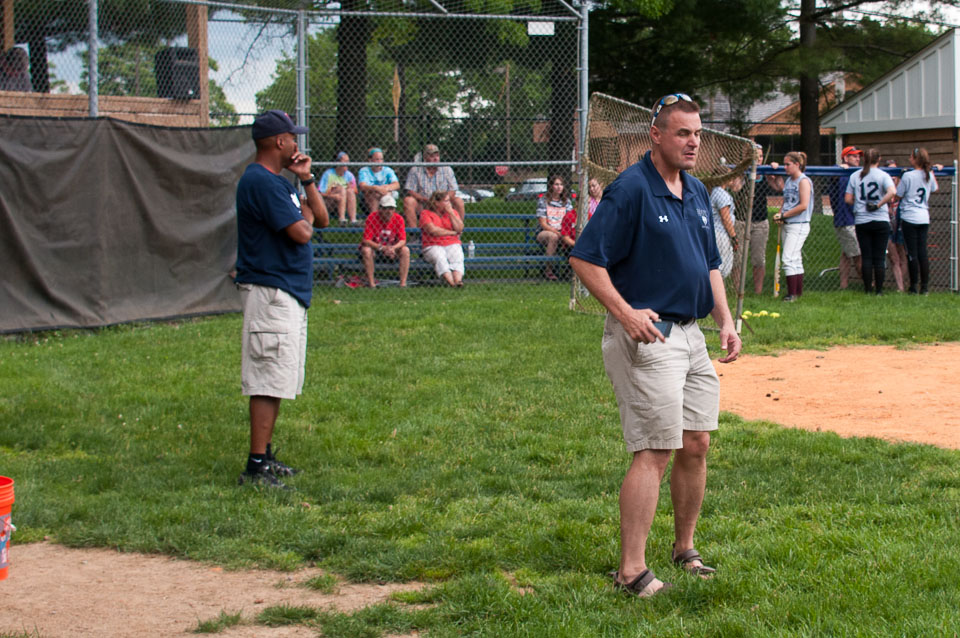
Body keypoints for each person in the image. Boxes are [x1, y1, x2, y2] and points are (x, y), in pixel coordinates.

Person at [569, 93, 741, 598]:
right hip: (650, 333)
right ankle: (631, 571)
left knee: (696, 442)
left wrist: (725, 320)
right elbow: (585, 259)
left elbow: (709, 264)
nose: (693, 142)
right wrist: (625, 313)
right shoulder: (631, 189)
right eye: (683, 132)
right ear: (657, 135)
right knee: (655, 448)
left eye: (698, 133)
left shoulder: (695, 191)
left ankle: (684, 549)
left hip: (692, 334)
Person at [235, 110, 329, 488]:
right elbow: (302, 233)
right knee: (266, 376)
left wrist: (306, 179)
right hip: (271, 291)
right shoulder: (262, 182)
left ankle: (266, 457)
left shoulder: (282, 182)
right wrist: (302, 212)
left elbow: (319, 220)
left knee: (276, 377)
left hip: (285, 290)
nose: (297, 143)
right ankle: (256, 466)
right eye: (293, 137)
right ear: (279, 142)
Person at [845, 148, 897, 295]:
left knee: (866, 256)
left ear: (864, 159)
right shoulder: (883, 175)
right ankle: (879, 290)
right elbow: (892, 192)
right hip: (880, 219)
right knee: (879, 257)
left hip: (862, 220)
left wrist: (860, 202)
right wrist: (879, 204)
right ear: (878, 159)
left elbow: (848, 199)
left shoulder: (856, 176)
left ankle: (868, 289)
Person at [897, 147, 939, 294]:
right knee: (923, 252)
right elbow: (934, 188)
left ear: (916, 159)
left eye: (911, 157)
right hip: (923, 217)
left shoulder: (908, 176)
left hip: (909, 217)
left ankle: (914, 286)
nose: (909, 159)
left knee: (912, 253)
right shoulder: (929, 174)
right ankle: (925, 287)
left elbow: (899, 193)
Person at [773, 151, 813, 302]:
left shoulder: (803, 181)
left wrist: (784, 215)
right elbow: (786, 202)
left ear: (798, 164)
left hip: (799, 224)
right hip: (788, 223)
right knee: (795, 259)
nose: (785, 167)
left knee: (788, 258)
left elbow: (803, 205)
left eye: (788, 164)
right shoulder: (789, 180)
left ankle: (791, 294)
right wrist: (780, 213)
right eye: (784, 164)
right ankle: (797, 294)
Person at [747, 144, 782, 294]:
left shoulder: (766, 174)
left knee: (759, 259)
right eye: (755, 156)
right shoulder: (743, 172)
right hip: (742, 221)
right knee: (738, 260)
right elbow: (735, 187)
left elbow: (779, 188)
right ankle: (736, 290)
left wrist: (776, 172)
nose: (759, 159)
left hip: (760, 221)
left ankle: (758, 292)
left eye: (761, 156)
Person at [403, 144, 464, 228]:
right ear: (425, 157)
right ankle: (415, 235)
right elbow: (410, 190)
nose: (435, 158)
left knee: (459, 201)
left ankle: (457, 232)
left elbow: (453, 190)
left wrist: (444, 201)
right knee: (408, 201)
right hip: (423, 202)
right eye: (432, 156)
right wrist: (423, 199)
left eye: (437, 155)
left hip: (443, 202)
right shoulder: (415, 169)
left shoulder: (447, 169)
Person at [829, 146, 864, 290]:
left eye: (858, 156)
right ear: (845, 158)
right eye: (853, 156)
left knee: (846, 253)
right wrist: (839, 167)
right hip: (846, 220)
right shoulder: (840, 171)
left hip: (859, 218)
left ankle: (843, 285)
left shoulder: (860, 172)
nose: (857, 158)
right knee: (857, 254)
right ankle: (869, 284)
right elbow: (833, 174)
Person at [359, 194, 409, 288]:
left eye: (391, 208)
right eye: (386, 208)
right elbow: (366, 240)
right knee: (366, 250)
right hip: (376, 249)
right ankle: (372, 284)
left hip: (392, 250)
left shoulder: (399, 218)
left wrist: (393, 248)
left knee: (405, 250)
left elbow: (403, 240)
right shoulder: (372, 217)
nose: (389, 211)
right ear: (380, 209)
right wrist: (382, 248)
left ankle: (403, 284)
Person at [420, 190, 465, 287]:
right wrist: (452, 233)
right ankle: (451, 283)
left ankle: (458, 281)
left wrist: (451, 213)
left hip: (451, 243)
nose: (448, 203)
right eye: (446, 201)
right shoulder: (426, 213)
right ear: (436, 203)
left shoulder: (452, 212)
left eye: (449, 201)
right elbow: (433, 230)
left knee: (457, 255)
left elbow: (460, 228)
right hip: (432, 245)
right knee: (440, 256)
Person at [535, 174, 575, 281]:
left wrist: (563, 233)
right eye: (556, 184)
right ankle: (548, 271)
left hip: (563, 231)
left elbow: (571, 219)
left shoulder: (566, 202)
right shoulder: (543, 201)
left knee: (572, 239)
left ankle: (570, 272)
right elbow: (543, 224)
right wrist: (558, 233)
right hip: (545, 232)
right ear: (551, 186)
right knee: (553, 237)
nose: (559, 187)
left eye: (561, 184)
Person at [709, 176, 740, 280]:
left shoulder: (714, 191)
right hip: (721, 233)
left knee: (718, 267)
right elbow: (725, 217)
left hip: (714, 232)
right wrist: (734, 237)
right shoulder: (721, 193)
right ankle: (715, 293)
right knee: (721, 268)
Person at [885, 160, 907, 292]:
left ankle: (900, 288)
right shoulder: (884, 187)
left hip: (901, 225)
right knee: (893, 257)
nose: (893, 177)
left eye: (895, 172)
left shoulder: (902, 188)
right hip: (887, 226)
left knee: (903, 255)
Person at [357, 147, 400, 217]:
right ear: (370, 160)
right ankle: (374, 220)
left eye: (381, 159)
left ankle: (387, 218)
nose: (380, 161)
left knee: (387, 193)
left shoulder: (387, 170)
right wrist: (376, 188)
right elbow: (363, 186)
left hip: (386, 194)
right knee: (374, 194)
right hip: (369, 199)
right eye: (377, 159)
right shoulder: (364, 170)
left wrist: (385, 188)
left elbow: (397, 184)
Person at [319, 151, 359, 225]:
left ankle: (353, 220)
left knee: (349, 191)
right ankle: (342, 219)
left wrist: (350, 188)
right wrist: (334, 196)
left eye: (348, 161)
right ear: (338, 162)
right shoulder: (328, 174)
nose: (347, 164)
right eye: (345, 161)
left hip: (345, 203)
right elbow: (320, 193)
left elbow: (355, 191)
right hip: (329, 203)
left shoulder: (349, 175)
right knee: (341, 189)